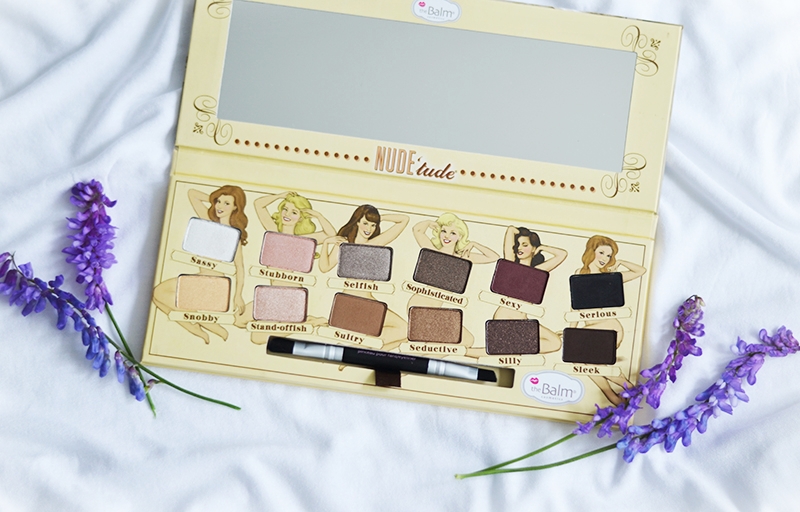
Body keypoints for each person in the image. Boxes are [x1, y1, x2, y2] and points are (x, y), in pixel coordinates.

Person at [237, 191, 337, 344]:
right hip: (271, 294)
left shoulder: (305, 240)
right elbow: (258, 204)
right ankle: (305, 321)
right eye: (285, 209)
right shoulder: (273, 231)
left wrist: (318, 216)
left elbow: (331, 233)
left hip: (291, 296)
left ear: (301, 218)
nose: (287, 214)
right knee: (238, 320)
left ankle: (306, 324)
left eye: (294, 212)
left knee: (257, 338)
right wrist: (279, 196)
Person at [152, 186, 248, 344]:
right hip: (199, 279)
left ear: (235, 207)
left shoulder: (234, 235)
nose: (220, 206)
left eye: (227, 203)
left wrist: (238, 295)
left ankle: (203, 322)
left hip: (214, 285)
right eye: (218, 201)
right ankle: (196, 326)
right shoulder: (208, 220)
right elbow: (192, 194)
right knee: (157, 298)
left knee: (159, 294)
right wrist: (214, 200)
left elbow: (240, 268)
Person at [396, 213, 499, 355]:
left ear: (460, 237)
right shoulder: (432, 249)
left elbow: (493, 257)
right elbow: (417, 230)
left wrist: (474, 244)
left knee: (466, 339)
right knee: (465, 340)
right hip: (419, 305)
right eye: (444, 231)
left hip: (436, 310)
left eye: (453, 233)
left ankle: (420, 357)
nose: (447, 236)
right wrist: (429, 222)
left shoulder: (463, 258)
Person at [318, 205, 410, 347]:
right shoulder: (345, 243)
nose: (369, 228)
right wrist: (325, 243)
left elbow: (404, 219)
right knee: (404, 330)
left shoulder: (375, 243)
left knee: (404, 334)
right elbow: (324, 267)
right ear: (357, 222)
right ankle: (360, 346)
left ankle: (359, 347)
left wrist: (379, 218)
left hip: (368, 303)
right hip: (351, 303)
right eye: (365, 223)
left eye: (373, 225)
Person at [571, 235, 647, 405]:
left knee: (578, 354)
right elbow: (574, 307)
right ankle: (615, 395)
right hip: (592, 329)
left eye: (609, 255)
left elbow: (641, 271)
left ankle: (625, 390)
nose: (605, 258)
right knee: (581, 361)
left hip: (609, 328)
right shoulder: (579, 274)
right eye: (602, 253)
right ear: (591, 251)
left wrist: (620, 262)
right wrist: (571, 330)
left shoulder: (610, 277)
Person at [492, 226, 568, 353]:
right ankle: (508, 345)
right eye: (518, 244)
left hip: (522, 321)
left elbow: (562, 254)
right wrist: (523, 233)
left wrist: (542, 247)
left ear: (534, 248)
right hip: (504, 318)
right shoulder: (511, 263)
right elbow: (511, 229)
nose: (520, 248)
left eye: (525, 245)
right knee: (553, 342)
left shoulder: (538, 271)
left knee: (555, 342)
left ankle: (509, 345)